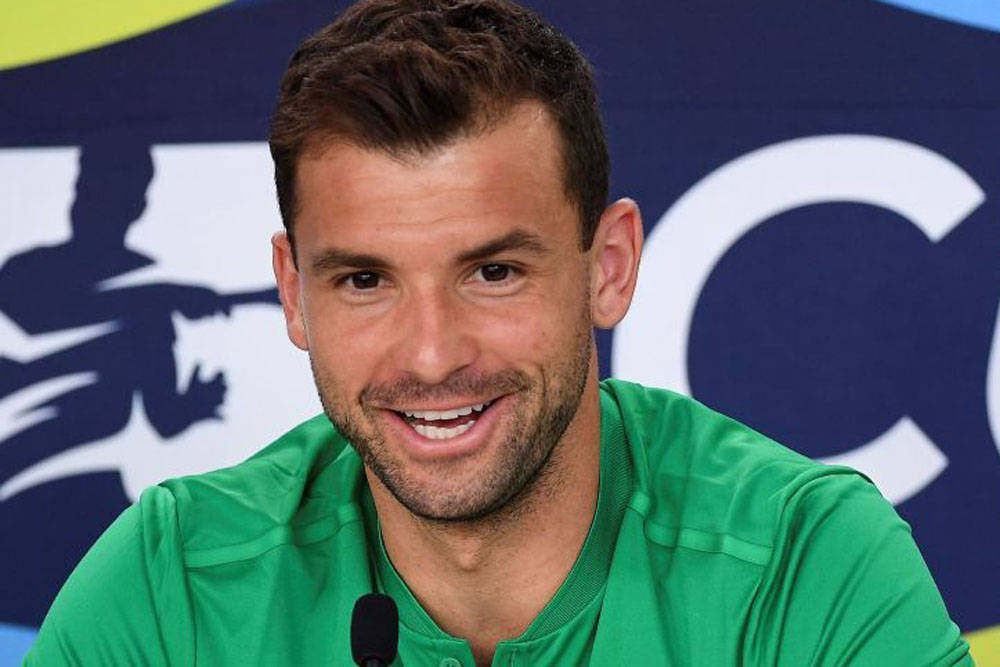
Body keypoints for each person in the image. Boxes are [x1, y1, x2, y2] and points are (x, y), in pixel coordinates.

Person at [26, 0, 972, 664]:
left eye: (494, 271)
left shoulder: (806, 566)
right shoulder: (173, 585)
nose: (432, 354)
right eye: (364, 280)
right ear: (294, 293)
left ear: (609, 266)